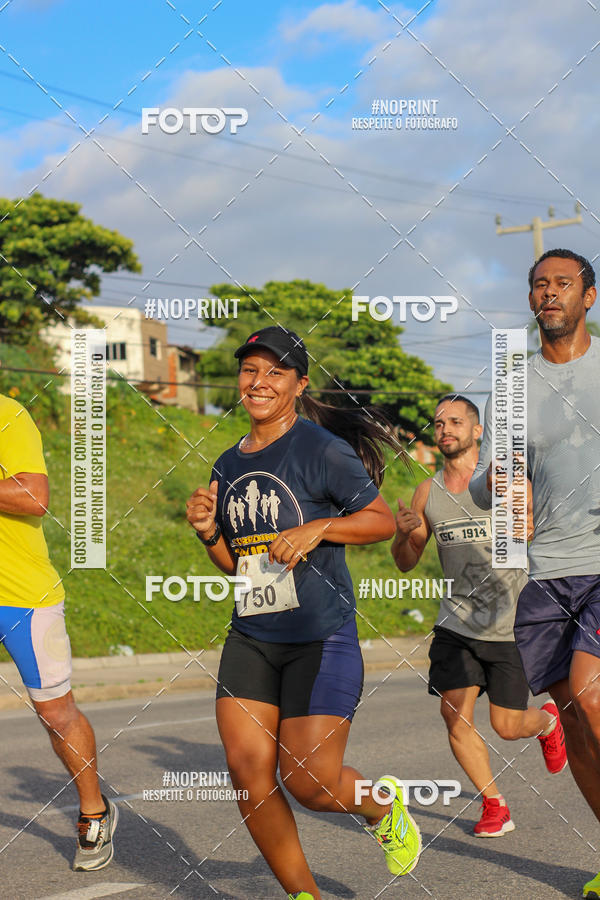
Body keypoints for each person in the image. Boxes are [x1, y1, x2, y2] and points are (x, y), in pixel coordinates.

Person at [186, 326, 421, 900]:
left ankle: (382, 808)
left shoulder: (321, 448)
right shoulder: (226, 463)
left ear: (298, 384)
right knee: (248, 772)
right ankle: (303, 895)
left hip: (320, 635)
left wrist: (317, 528)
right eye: (250, 371)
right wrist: (207, 531)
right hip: (252, 635)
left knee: (310, 782)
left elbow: (380, 521)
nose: (258, 381)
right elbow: (235, 565)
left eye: (275, 372)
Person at [469, 249, 600, 897]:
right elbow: (489, 479)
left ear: (590, 297)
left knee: (593, 698)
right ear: (530, 301)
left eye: (563, 284)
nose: (550, 294)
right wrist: (496, 483)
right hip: (545, 574)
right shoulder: (514, 385)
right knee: (573, 718)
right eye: (539, 285)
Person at [391, 394, 566, 838]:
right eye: (438, 423)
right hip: (456, 623)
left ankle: (547, 721)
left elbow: (544, 532)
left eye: (455, 421)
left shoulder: (505, 481)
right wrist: (408, 535)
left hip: (509, 624)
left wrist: (531, 526)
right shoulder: (427, 492)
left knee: (507, 726)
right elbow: (406, 561)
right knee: (456, 717)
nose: (444, 428)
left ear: (477, 431)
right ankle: (495, 803)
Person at [0, 390, 118, 870]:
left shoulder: (8, 413)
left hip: (21, 595)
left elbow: (33, 496)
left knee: (55, 711)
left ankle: (94, 811)